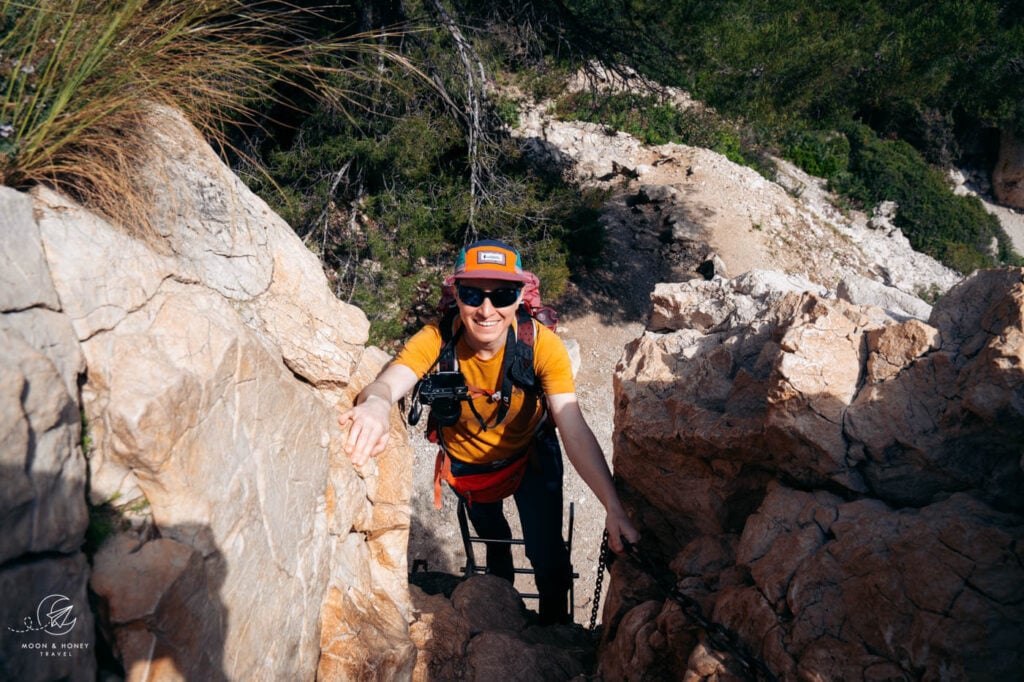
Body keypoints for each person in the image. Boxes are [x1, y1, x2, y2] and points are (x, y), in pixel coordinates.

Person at [338, 238, 639, 624]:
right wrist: (377, 402)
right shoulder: (438, 339)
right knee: (495, 543)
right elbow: (388, 382)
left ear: (520, 297)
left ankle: (553, 628)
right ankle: (504, 614)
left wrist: (612, 506)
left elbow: (573, 426)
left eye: (502, 294)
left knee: (545, 550)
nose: (486, 309)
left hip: (530, 455)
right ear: (456, 296)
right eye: (471, 294)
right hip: (469, 467)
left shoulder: (542, 347)